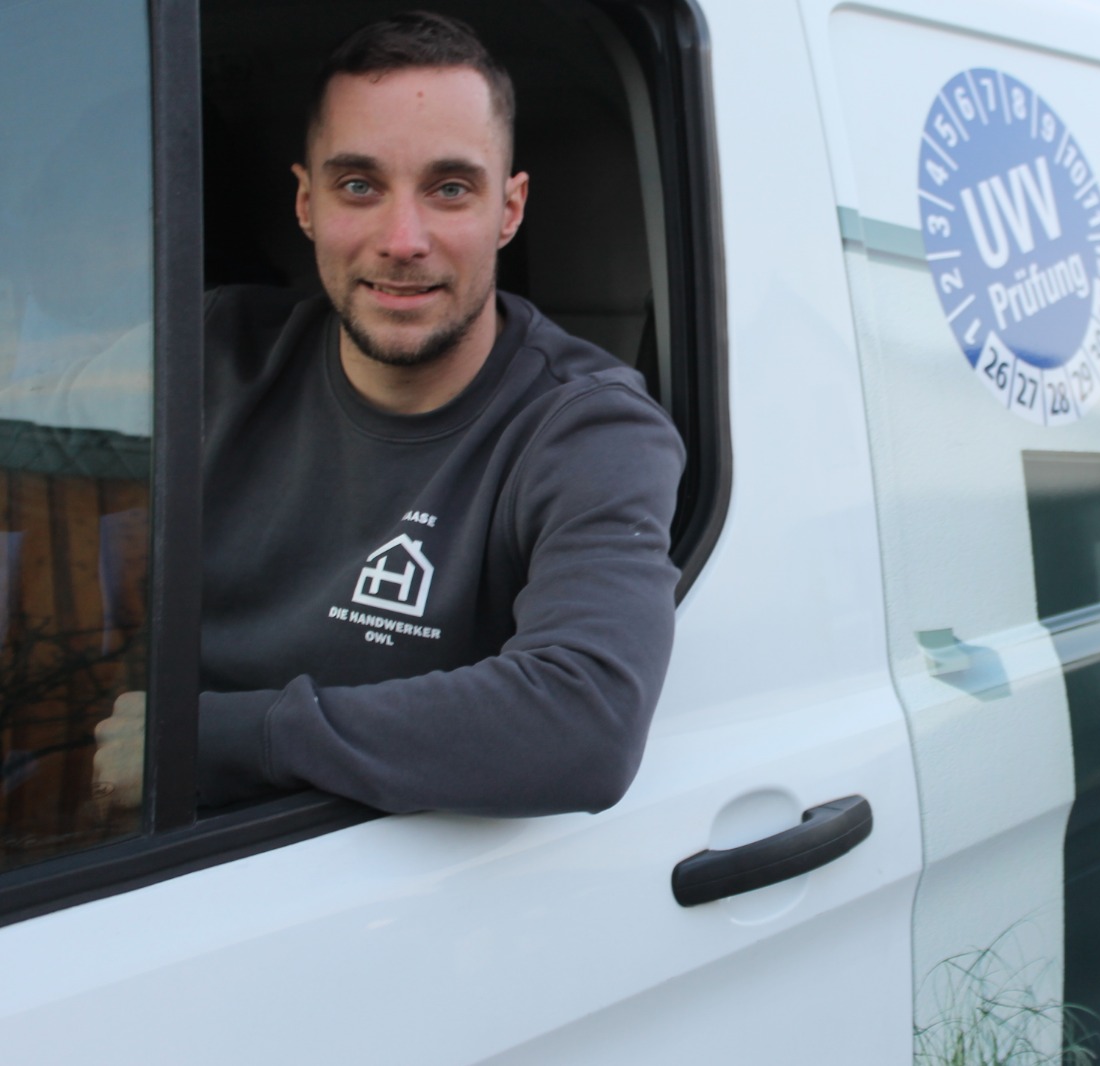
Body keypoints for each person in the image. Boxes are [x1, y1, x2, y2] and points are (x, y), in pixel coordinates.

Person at [93, 11, 684, 816]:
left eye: (450, 189)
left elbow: (586, 722)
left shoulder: (588, 427)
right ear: (307, 203)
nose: (402, 240)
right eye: (359, 186)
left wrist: (209, 740)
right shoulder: (215, 351)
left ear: (509, 210)